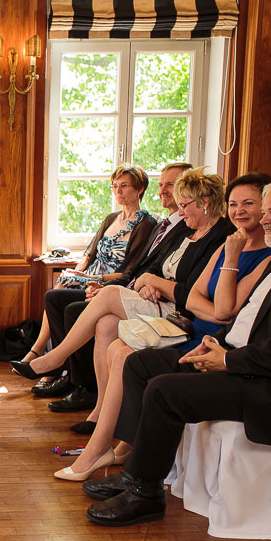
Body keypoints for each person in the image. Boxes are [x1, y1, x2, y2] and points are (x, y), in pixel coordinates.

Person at [82, 177, 271, 526]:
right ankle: (137, 471)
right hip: (244, 361)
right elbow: (252, 320)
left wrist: (227, 360)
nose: (263, 220)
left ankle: (146, 494)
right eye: (264, 212)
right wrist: (218, 342)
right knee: (140, 365)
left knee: (164, 390)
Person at [50, 173, 271, 481]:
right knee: (115, 345)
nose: (238, 211)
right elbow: (193, 294)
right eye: (234, 203)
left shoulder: (259, 253)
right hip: (189, 322)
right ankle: (122, 444)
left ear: (267, 207)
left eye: (249, 203)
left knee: (125, 352)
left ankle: (99, 448)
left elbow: (222, 311)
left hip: (207, 337)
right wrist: (192, 296)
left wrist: (230, 260)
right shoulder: (226, 245)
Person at [12, 168, 234, 436]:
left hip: (180, 313)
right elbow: (156, 271)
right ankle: (100, 412)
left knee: (104, 296)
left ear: (205, 203)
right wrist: (147, 284)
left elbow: (190, 290)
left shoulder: (220, 237)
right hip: (154, 296)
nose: (181, 211)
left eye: (185, 205)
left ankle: (54, 359)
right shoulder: (187, 233)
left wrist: (152, 283)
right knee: (104, 323)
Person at [43, 163, 192, 419]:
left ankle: (76, 378)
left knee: (75, 309)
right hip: (123, 284)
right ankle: (65, 371)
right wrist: (82, 274)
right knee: (58, 292)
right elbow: (92, 252)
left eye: (172, 184)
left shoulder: (151, 222)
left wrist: (105, 283)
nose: (165, 190)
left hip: (127, 285)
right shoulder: (129, 220)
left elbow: (135, 268)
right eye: (162, 184)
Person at [20, 165, 157, 402]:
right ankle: (59, 367)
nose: (118, 192)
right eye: (115, 186)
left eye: (124, 186)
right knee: (56, 290)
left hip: (111, 282)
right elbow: (89, 255)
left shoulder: (145, 223)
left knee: (65, 300)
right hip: (91, 275)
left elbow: (129, 270)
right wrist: (77, 272)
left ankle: (52, 363)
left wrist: (93, 280)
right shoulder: (111, 218)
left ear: (140, 189)